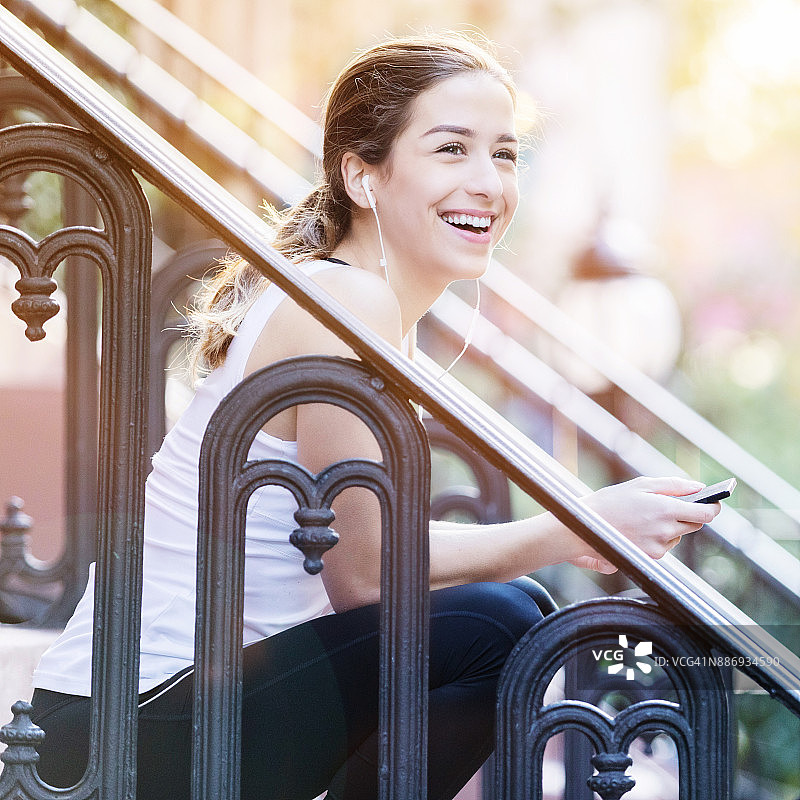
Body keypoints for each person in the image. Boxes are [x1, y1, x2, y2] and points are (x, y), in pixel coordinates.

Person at [28, 31, 721, 800]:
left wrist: (574, 526)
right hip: (122, 730)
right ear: (362, 175)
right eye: (451, 149)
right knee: (501, 625)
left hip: (160, 712)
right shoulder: (346, 300)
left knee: (515, 607)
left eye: (503, 153)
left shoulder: (353, 297)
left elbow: (362, 549)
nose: (488, 182)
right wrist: (575, 528)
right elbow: (363, 577)